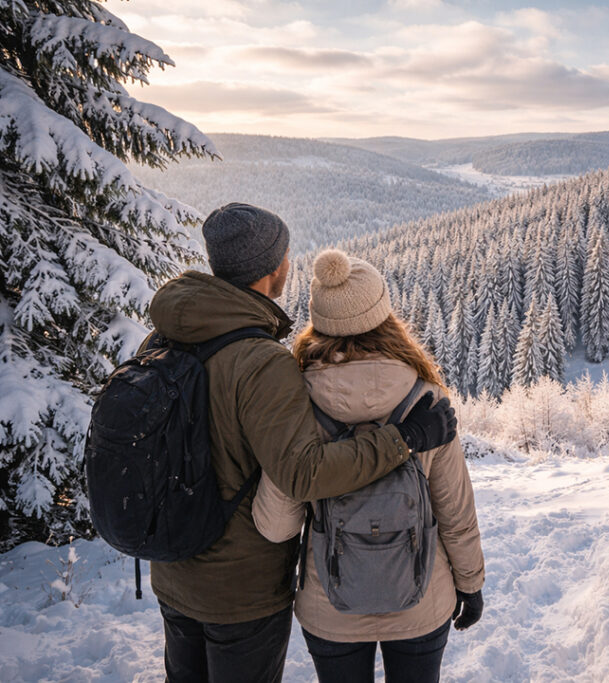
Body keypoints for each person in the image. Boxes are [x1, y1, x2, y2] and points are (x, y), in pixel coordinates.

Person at [146, 203, 457, 683]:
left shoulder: (164, 336)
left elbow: (277, 511)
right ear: (274, 270)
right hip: (242, 587)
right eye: (286, 255)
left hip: (176, 569)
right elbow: (301, 474)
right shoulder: (263, 362)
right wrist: (405, 439)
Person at [253, 248, 485, 683]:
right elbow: (455, 513)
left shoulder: (298, 405)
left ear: (318, 322)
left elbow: (276, 525)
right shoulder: (426, 401)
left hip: (331, 608)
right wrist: (470, 585)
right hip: (421, 600)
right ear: (384, 317)